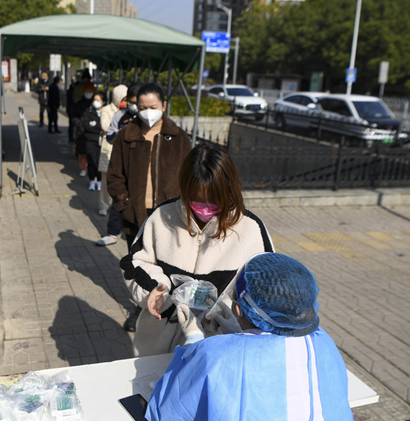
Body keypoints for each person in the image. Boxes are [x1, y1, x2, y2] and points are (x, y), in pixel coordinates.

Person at [145, 253, 354, 421]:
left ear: (238, 309)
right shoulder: (322, 339)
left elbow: (165, 410)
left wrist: (194, 341)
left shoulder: (214, 355)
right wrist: (238, 334)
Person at [119, 142, 274, 354]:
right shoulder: (162, 216)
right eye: (197, 199)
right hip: (157, 345)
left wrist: (223, 316)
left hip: (219, 347)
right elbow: (135, 262)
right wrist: (154, 290)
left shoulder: (251, 228)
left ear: (229, 189)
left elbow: (266, 290)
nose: (205, 206)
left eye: (214, 199)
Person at [108, 83, 192, 332]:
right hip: (135, 215)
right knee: (139, 267)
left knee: (168, 264)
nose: (147, 112)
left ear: (163, 106)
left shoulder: (178, 138)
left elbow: (189, 177)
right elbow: (114, 176)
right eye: (142, 107)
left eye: (153, 107)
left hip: (168, 216)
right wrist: (125, 205)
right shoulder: (126, 136)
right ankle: (140, 307)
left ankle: (170, 308)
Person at [96, 84, 139, 249]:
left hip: (142, 170)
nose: (135, 106)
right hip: (123, 165)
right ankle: (112, 233)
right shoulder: (120, 115)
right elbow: (110, 136)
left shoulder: (147, 118)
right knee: (119, 199)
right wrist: (125, 133)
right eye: (132, 102)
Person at [98, 85, 127, 214]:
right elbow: (104, 125)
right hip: (108, 149)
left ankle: (117, 206)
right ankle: (103, 206)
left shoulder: (128, 111)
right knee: (105, 180)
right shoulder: (106, 110)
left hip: (122, 150)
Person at [80, 92, 107, 190]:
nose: (95, 102)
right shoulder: (89, 111)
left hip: (101, 141)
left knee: (100, 161)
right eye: (94, 100)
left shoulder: (105, 112)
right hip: (90, 140)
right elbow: (86, 125)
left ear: (103, 102)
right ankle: (92, 181)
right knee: (91, 161)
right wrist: (97, 127)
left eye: (98, 100)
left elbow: (104, 127)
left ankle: (99, 181)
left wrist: (95, 125)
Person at [72, 81, 95, 177]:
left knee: (92, 152)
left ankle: (91, 168)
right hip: (81, 132)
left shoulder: (95, 103)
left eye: (90, 91)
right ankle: (83, 168)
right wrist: (80, 124)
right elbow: (73, 117)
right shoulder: (79, 104)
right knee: (82, 152)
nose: (88, 93)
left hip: (93, 132)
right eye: (87, 91)